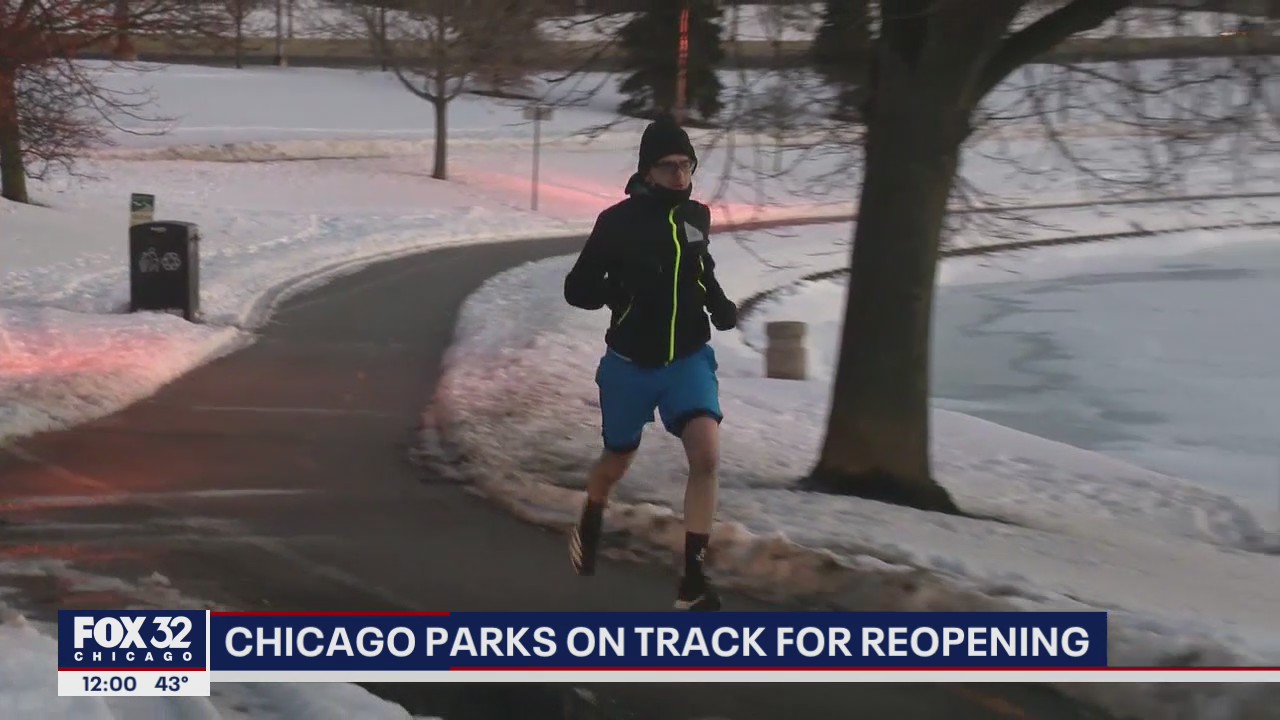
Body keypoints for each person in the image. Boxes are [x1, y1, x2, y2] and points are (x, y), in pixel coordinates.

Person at [562, 113, 738, 612]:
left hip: (686, 358)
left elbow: (700, 269)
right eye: (668, 167)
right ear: (646, 171)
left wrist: (720, 303)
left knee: (706, 455)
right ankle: (592, 515)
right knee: (616, 462)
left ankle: (692, 582)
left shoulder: (695, 216)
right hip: (630, 364)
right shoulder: (615, 223)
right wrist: (622, 286)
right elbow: (577, 290)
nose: (680, 177)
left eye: (687, 166)